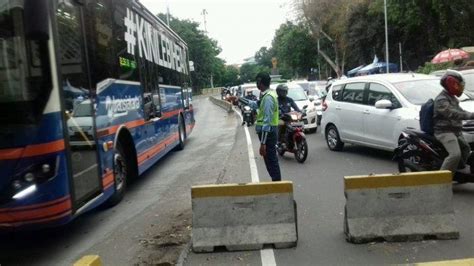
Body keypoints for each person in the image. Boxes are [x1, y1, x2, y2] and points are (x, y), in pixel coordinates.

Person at [238, 72, 281, 181]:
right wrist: (239, 99)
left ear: (260, 82)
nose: (256, 84)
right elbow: (255, 104)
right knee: (269, 162)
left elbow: (266, 122)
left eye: (257, 81)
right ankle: (275, 183)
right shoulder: (266, 95)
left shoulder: (268, 98)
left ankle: (278, 186)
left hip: (269, 134)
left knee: (271, 162)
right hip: (268, 134)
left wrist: (263, 144)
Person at [433, 69, 474, 174]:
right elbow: (452, 113)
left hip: (455, 131)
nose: (460, 87)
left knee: (466, 149)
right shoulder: (441, 99)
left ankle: (457, 172)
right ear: (452, 84)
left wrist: (471, 114)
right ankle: (441, 179)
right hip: (445, 132)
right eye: (458, 84)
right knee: (455, 155)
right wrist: (471, 116)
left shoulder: (452, 97)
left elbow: (460, 111)